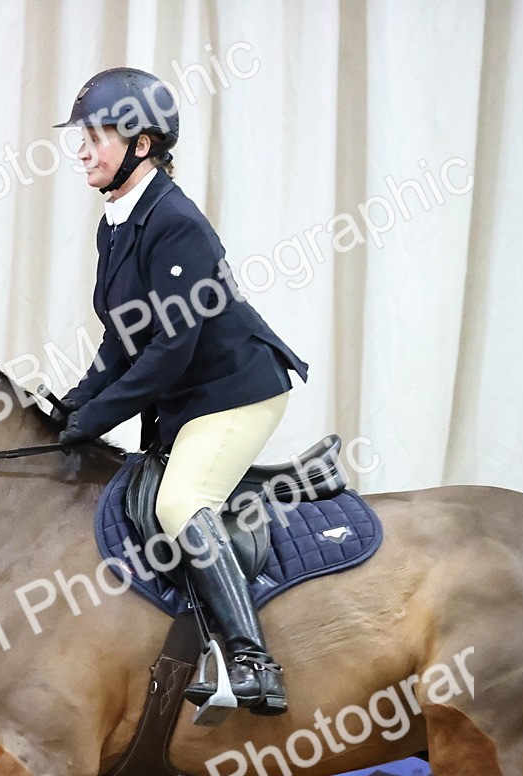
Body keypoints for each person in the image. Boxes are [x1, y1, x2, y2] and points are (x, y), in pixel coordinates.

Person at [53, 67, 309, 715]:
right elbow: (123, 339)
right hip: (188, 393)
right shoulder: (117, 221)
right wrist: (73, 404)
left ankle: (252, 659)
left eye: (98, 135)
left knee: (181, 502)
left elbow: (170, 351)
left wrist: (97, 419)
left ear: (141, 144)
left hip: (235, 391)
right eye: (80, 136)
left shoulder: (176, 224)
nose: (82, 149)